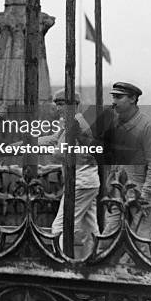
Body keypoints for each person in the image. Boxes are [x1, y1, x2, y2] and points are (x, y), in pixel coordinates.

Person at [39, 89, 100, 257]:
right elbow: (54, 138)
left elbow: (58, 153)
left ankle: (61, 262)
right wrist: (24, 144)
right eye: (57, 104)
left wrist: (48, 148)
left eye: (62, 104)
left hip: (80, 180)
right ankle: (94, 259)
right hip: (89, 180)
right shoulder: (72, 122)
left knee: (60, 227)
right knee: (91, 228)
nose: (58, 108)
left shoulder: (75, 124)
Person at [103, 81, 151, 242]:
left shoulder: (148, 126)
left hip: (142, 199)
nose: (114, 101)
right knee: (107, 245)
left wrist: (146, 194)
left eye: (119, 97)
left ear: (133, 99)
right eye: (113, 97)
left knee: (142, 247)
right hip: (117, 196)